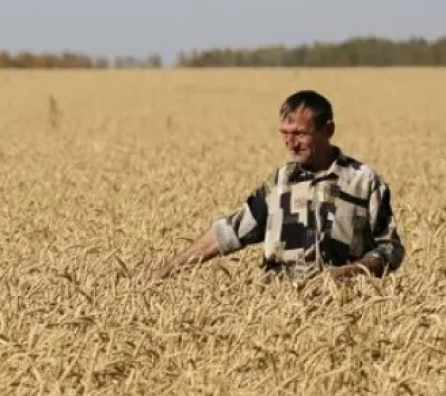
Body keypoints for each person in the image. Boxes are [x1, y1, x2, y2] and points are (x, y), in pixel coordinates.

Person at [152, 90, 405, 282]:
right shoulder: (279, 182)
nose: (290, 143)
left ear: (328, 130)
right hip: (280, 311)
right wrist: (163, 272)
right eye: (284, 133)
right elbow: (228, 233)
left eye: (300, 134)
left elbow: (390, 248)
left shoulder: (363, 181)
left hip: (344, 310)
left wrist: (346, 274)